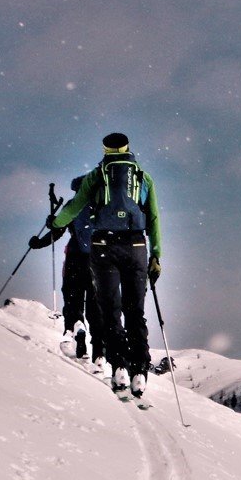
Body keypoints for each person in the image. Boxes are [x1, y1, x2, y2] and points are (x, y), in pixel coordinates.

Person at [44, 132, 162, 397]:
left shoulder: (96, 176)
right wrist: (156, 255)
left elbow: (74, 207)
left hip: (103, 247)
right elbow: (153, 217)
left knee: (110, 310)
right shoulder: (144, 178)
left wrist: (56, 223)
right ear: (128, 148)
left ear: (105, 150)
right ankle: (139, 371)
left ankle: (118, 366)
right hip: (136, 248)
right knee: (135, 313)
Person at [29, 175, 107, 375]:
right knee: (95, 306)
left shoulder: (73, 206)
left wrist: (38, 243)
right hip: (98, 261)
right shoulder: (104, 208)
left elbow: (57, 231)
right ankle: (99, 352)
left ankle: (75, 331)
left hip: (74, 258)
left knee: (72, 297)